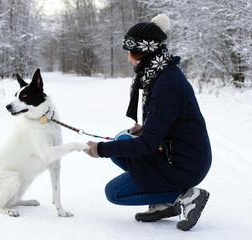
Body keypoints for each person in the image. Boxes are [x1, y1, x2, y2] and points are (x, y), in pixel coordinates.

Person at [83, 14, 212, 231]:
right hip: (175, 153)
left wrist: (101, 149)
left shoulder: (166, 84)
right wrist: (147, 126)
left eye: (133, 53)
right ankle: (163, 203)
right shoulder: (160, 75)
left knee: (114, 193)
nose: (129, 59)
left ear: (148, 53)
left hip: (184, 164)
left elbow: (148, 144)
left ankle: (186, 195)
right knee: (123, 140)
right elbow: (168, 120)